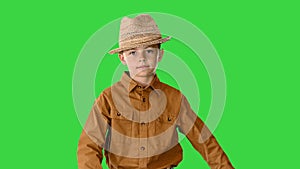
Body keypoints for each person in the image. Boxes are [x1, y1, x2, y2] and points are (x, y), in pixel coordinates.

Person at [77, 14, 234, 169]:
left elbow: (205, 142)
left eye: (150, 51)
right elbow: (88, 147)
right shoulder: (108, 98)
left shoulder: (175, 98)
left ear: (160, 55)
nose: (142, 58)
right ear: (122, 58)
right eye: (133, 52)